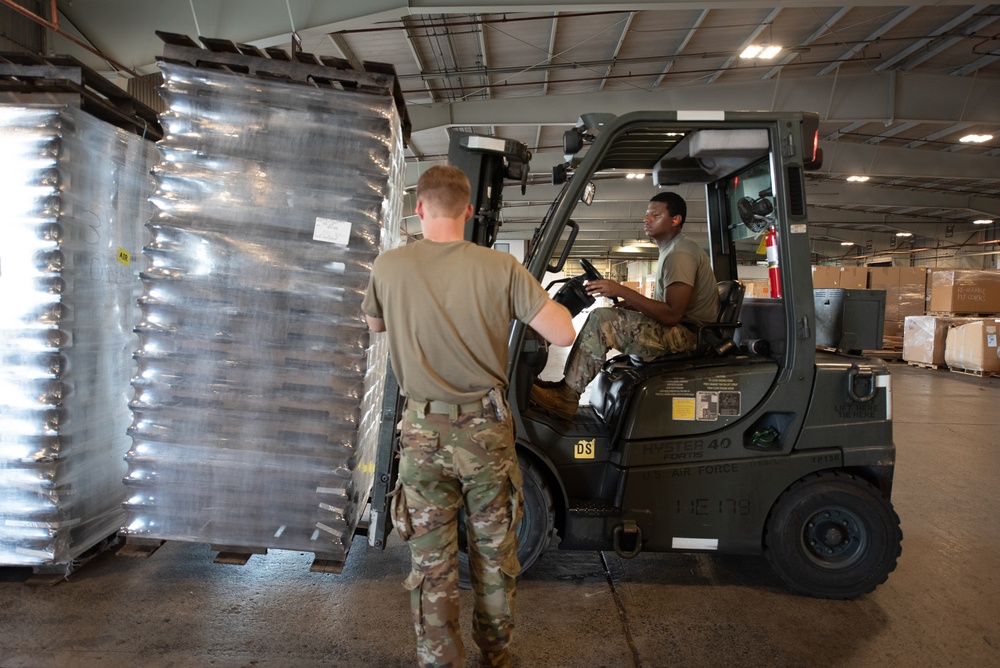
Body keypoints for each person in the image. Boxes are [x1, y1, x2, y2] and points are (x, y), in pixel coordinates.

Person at [361, 164, 575, 668]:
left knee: (431, 558)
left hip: (421, 433)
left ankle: (440, 658)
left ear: (418, 208)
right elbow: (563, 335)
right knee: (494, 552)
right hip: (486, 433)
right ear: (469, 211)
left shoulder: (388, 267)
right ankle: (497, 654)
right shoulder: (501, 269)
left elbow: (373, 325)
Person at [531, 191, 719, 421]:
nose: (646, 219)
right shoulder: (673, 249)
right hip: (684, 332)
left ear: (675, 220)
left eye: (655, 214)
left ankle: (566, 397)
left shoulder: (679, 253)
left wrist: (620, 289)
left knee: (603, 320)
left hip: (690, 338)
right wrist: (629, 304)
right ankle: (565, 388)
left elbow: (671, 315)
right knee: (610, 315)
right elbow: (667, 306)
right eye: (647, 214)